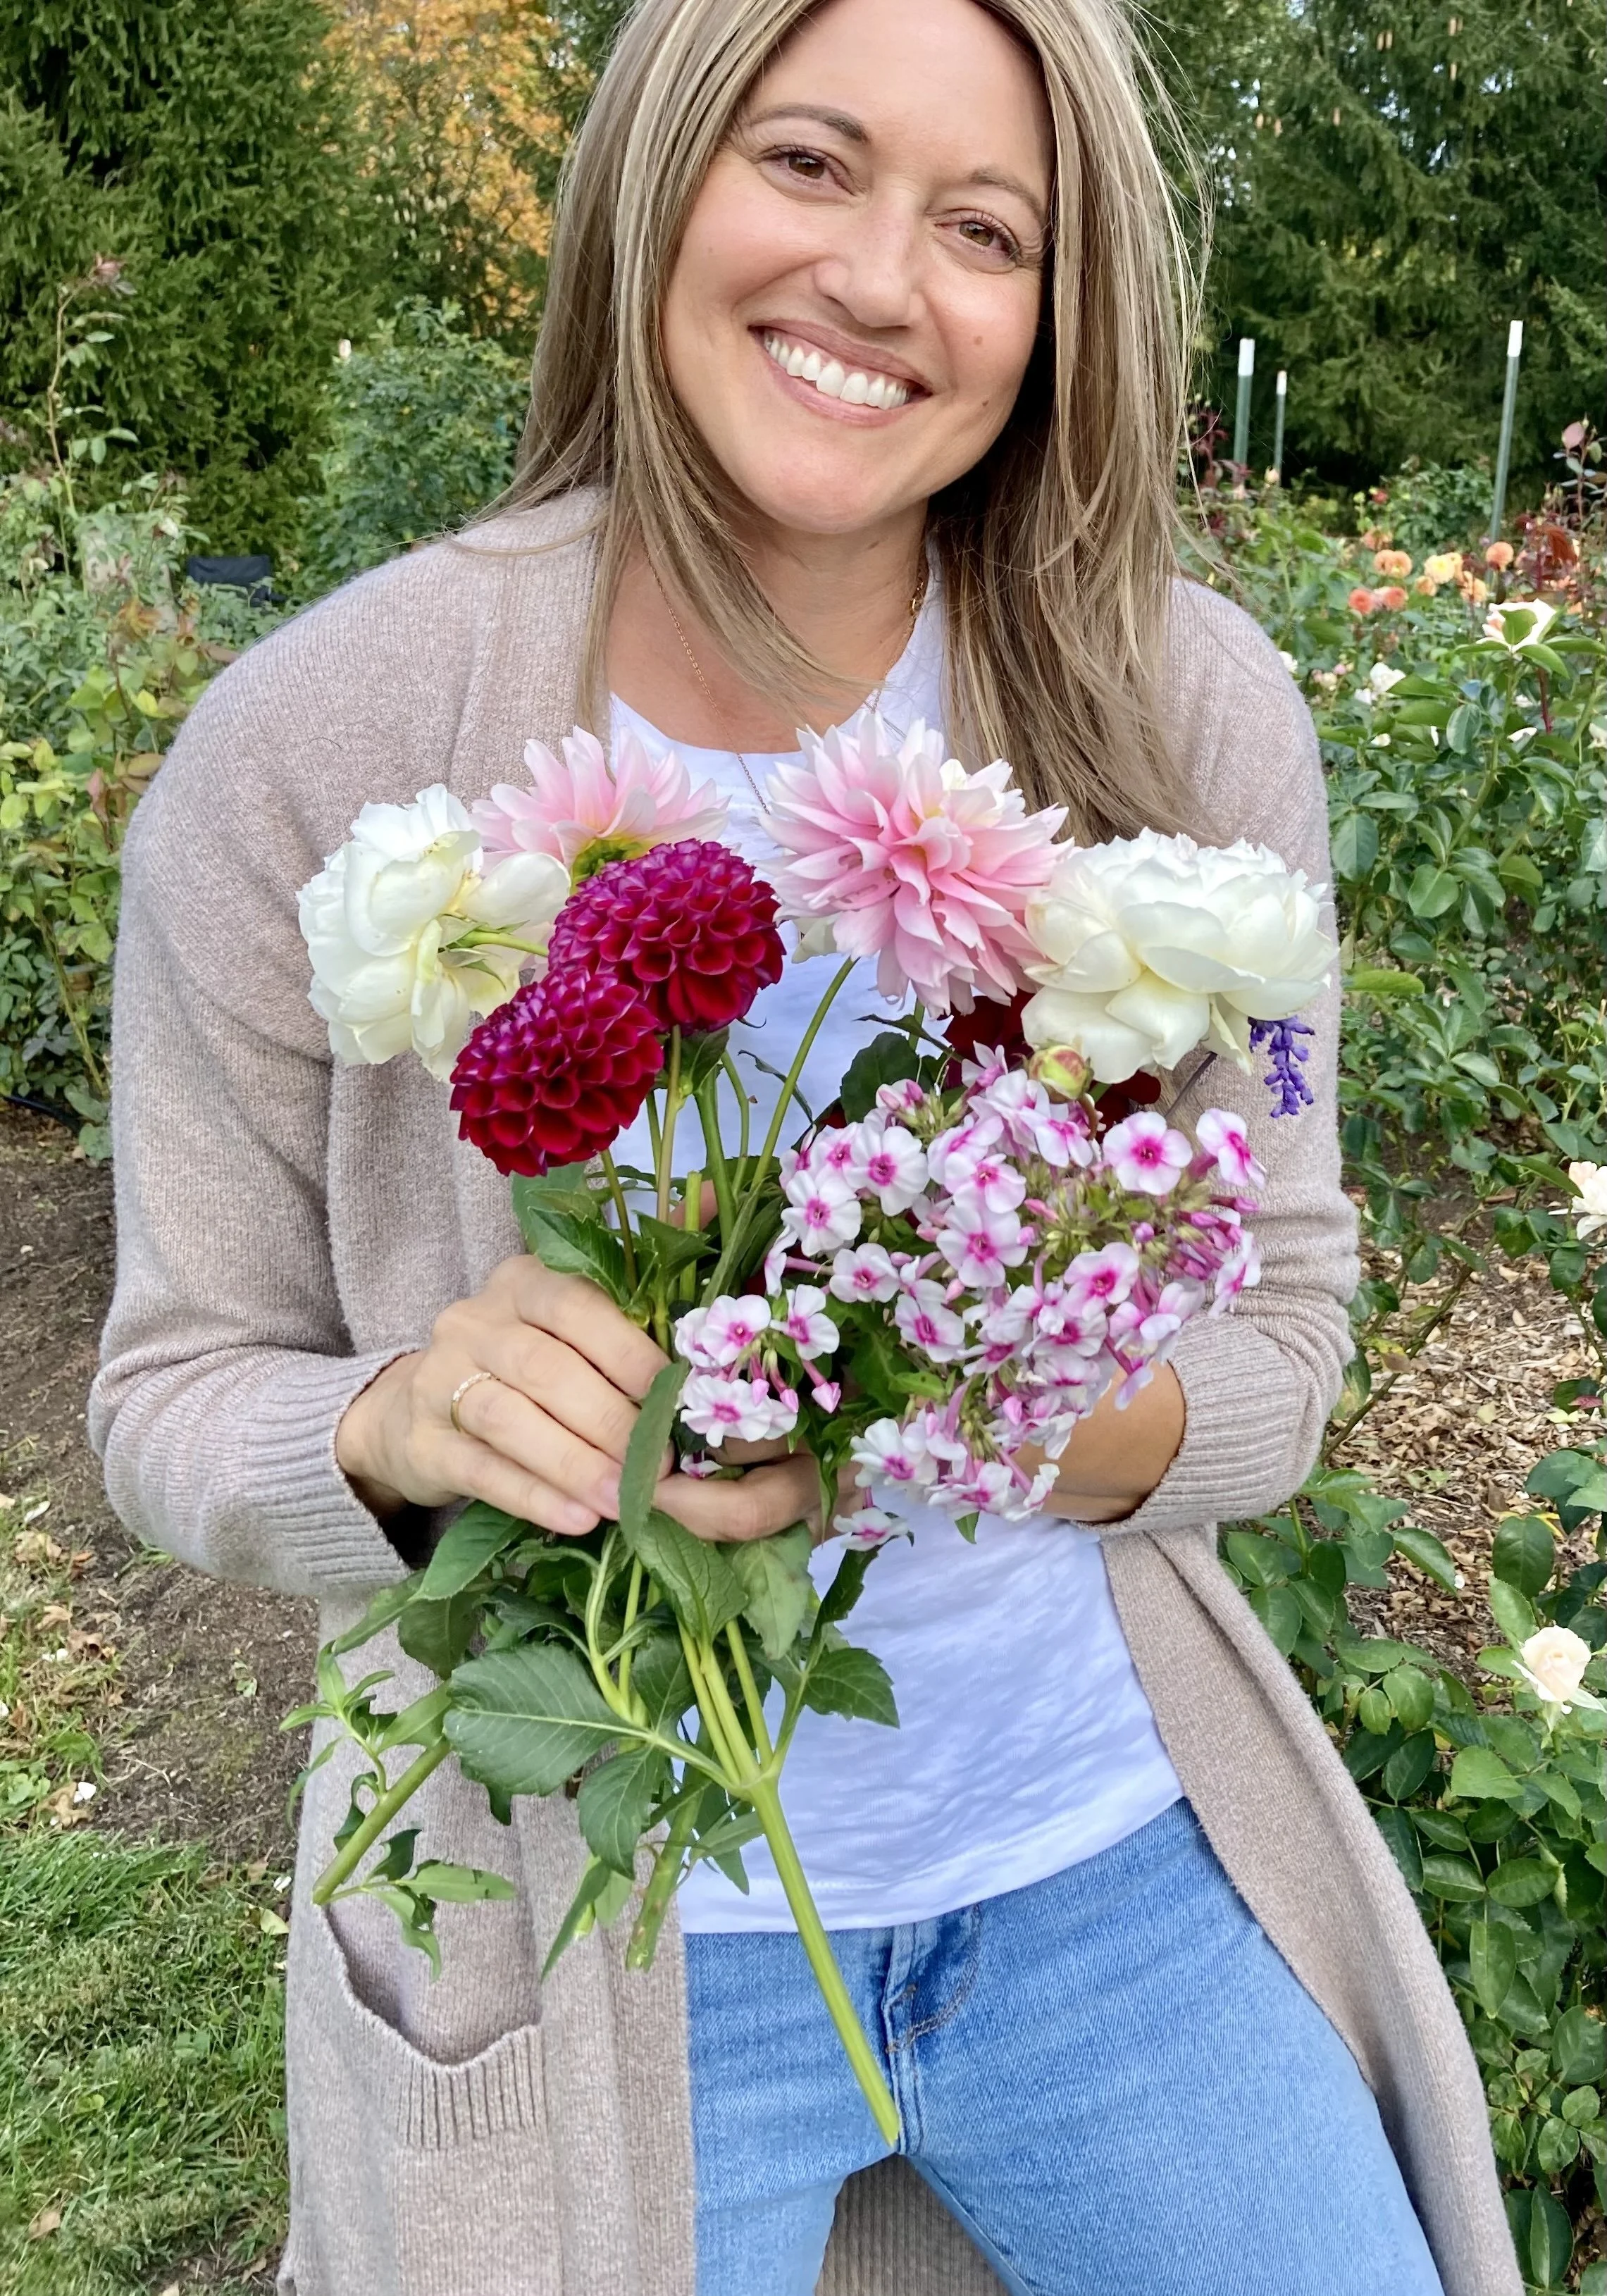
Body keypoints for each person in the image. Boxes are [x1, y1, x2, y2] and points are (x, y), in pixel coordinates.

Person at [89, 1, 1518, 2291]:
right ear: (657, 178)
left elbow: (1291, 1317)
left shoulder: (1185, 717)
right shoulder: (321, 752)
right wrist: (394, 1424)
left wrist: (991, 1412)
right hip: (593, 1914)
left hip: (1091, 1869)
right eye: (809, 162)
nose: (881, 281)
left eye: (986, 228)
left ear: (1060, 320)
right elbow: (167, 1399)